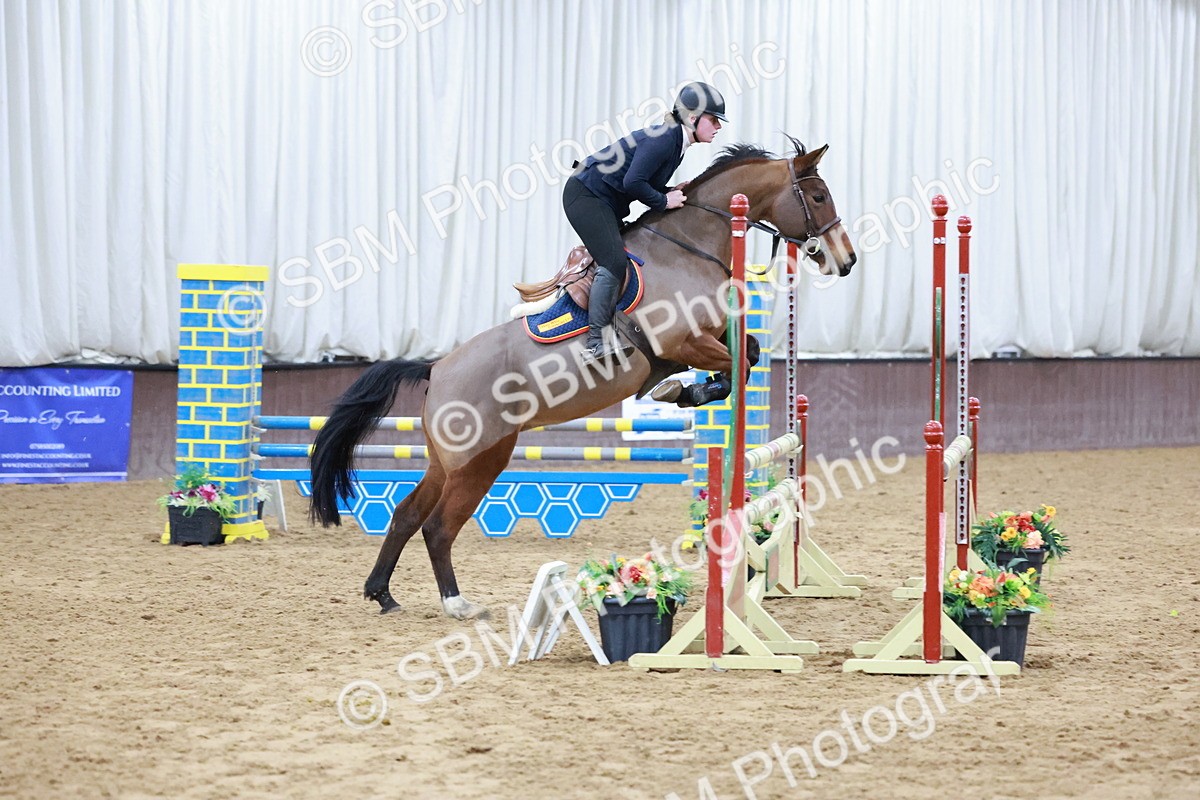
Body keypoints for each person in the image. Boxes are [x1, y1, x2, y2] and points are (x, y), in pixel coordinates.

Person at [564, 81, 727, 364]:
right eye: (713, 120)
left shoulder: (677, 142)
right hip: (586, 195)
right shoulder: (666, 137)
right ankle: (595, 343)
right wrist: (664, 202)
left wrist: (670, 191)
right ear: (693, 118)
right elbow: (633, 182)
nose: (718, 127)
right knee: (614, 262)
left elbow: (643, 182)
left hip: (603, 198)